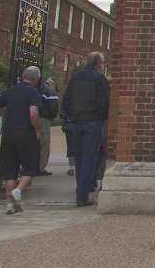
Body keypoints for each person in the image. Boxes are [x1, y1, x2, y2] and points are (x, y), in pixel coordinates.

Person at [0, 65, 43, 214]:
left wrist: (8, 112)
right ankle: (18, 191)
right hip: (26, 133)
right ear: (36, 79)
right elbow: (33, 113)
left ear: (23, 76)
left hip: (8, 133)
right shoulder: (33, 93)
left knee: (10, 171)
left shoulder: (10, 91)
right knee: (30, 167)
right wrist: (37, 129)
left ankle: (10, 205)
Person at [61, 52, 110, 207]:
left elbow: (66, 99)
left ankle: (83, 190)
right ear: (99, 63)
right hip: (92, 122)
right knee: (89, 159)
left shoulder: (75, 77)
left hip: (75, 122)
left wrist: (66, 118)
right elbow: (103, 102)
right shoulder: (99, 78)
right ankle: (82, 196)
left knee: (80, 159)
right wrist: (101, 119)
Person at [37, 77, 59, 175]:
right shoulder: (50, 90)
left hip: (33, 116)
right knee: (44, 143)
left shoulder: (37, 88)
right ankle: (40, 168)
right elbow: (53, 107)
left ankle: (28, 166)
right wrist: (52, 117)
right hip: (44, 119)